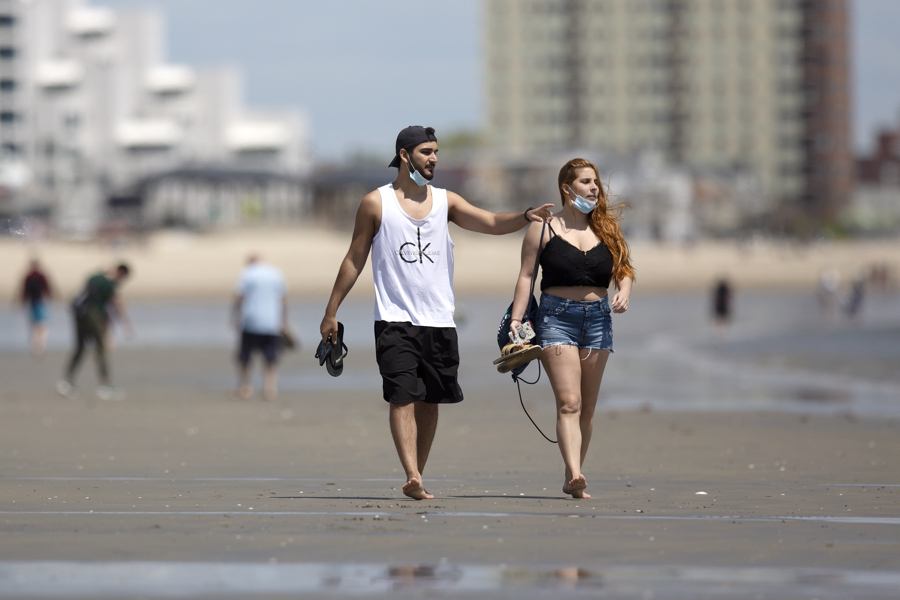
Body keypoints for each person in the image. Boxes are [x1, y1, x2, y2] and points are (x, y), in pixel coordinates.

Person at [319, 125, 553, 500]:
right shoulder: (375, 203)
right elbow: (354, 259)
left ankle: (418, 475)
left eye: (436, 152)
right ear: (404, 155)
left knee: (430, 401)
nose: (434, 159)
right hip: (395, 319)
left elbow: (490, 222)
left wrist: (525, 216)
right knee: (401, 395)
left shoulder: (447, 201)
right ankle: (411, 473)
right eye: (427, 151)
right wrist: (332, 311)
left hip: (440, 321)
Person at [509, 158, 634, 499]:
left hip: (598, 320)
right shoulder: (543, 228)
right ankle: (578, 473)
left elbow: (622, 269)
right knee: (569, 402)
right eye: (586, 182)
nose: (594, 188)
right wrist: (518, 321)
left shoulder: (606, 229)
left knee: (587, 409)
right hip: (555, 319)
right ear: (567, 188)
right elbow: (526, 277)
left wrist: (623, 290)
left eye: (596, 182)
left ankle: (570, 473)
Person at [57, 263, 133, 400]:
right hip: (94, 316)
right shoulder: (110, 284)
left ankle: (66, 382)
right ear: (121, 274)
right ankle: (105, 386)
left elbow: (82, 291)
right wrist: (125, 325)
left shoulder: (95, 277)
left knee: (80, 348)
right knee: (100, 350)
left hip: (79, 315)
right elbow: (116, 304)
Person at [232, 254, 289, 401]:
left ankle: (245, 387)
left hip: (251, 321)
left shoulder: (248, 274)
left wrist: (235, 317)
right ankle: (270, 388)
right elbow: (283, 300)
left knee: (246, 357)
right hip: (272, 322)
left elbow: (239, 297)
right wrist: (284, 322)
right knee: (271, 357)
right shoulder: (276, 274)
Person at [19, 258, 54, 356]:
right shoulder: (38, 276)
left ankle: (37, 346)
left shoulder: (29, 276)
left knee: (35, 325)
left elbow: (24, 291)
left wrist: (22, 301)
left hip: (34, 302)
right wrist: (50, 296)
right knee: (41, 325)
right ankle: (40, 346)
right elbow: (47, 288)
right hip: (38, 302)